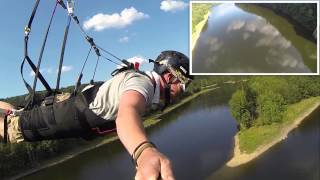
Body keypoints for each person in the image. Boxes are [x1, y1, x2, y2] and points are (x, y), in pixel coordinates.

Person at [0, 50, 193, 180]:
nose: (184, 90)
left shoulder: (143, 83)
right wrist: (143, 151)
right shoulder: (143, 86)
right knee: (8, 129)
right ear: (169, 77)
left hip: (70, 106)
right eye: (183, 84)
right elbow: (128, 113)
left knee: (14, 113)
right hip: (65, 115)